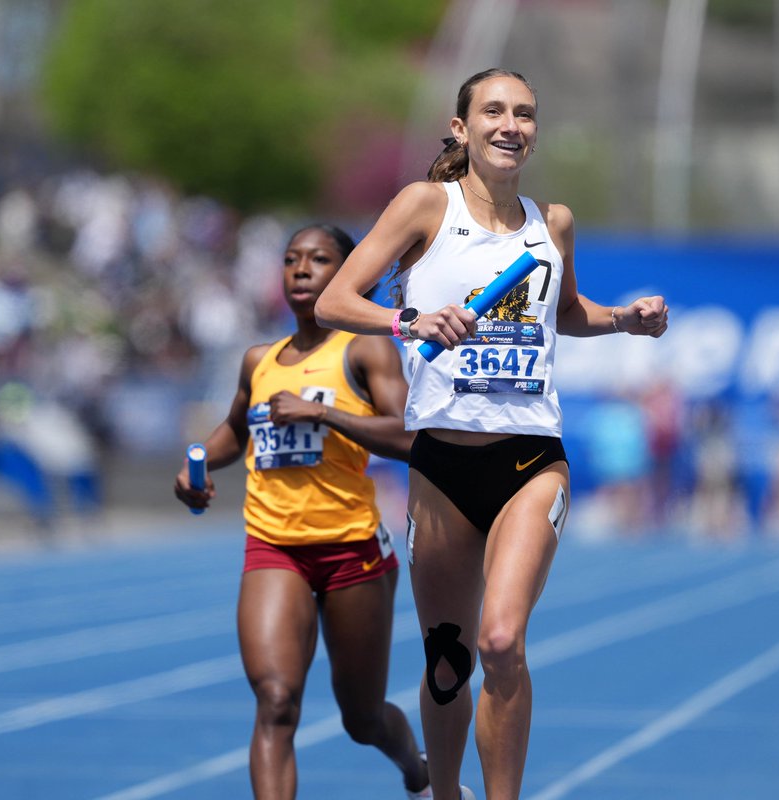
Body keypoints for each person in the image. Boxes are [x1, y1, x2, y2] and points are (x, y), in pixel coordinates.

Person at [315, 68, 668, 800]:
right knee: (448, 659)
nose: (512, 125)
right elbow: (335, 299)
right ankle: (446, 795)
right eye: (495, 111)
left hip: (532, 459)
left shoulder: (554, 223)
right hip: (441, 461)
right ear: (461, 128)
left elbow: (566, 313)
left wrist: (624, 318)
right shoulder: (423, 207)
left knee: (502, 639)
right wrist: (409, 320)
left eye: (526, 114)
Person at [173, 224, 432, 799]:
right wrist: (194, 460)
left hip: (352, 550)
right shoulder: (258, 360)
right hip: (274, 546)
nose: (300, 269)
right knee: (276, 700)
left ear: (345, 273)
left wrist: (326, 416)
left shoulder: (365, 349)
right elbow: (233, 434)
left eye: (318, 259)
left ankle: (417, 771)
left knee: (361, 719)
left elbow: (412, 437)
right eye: (291, 260)